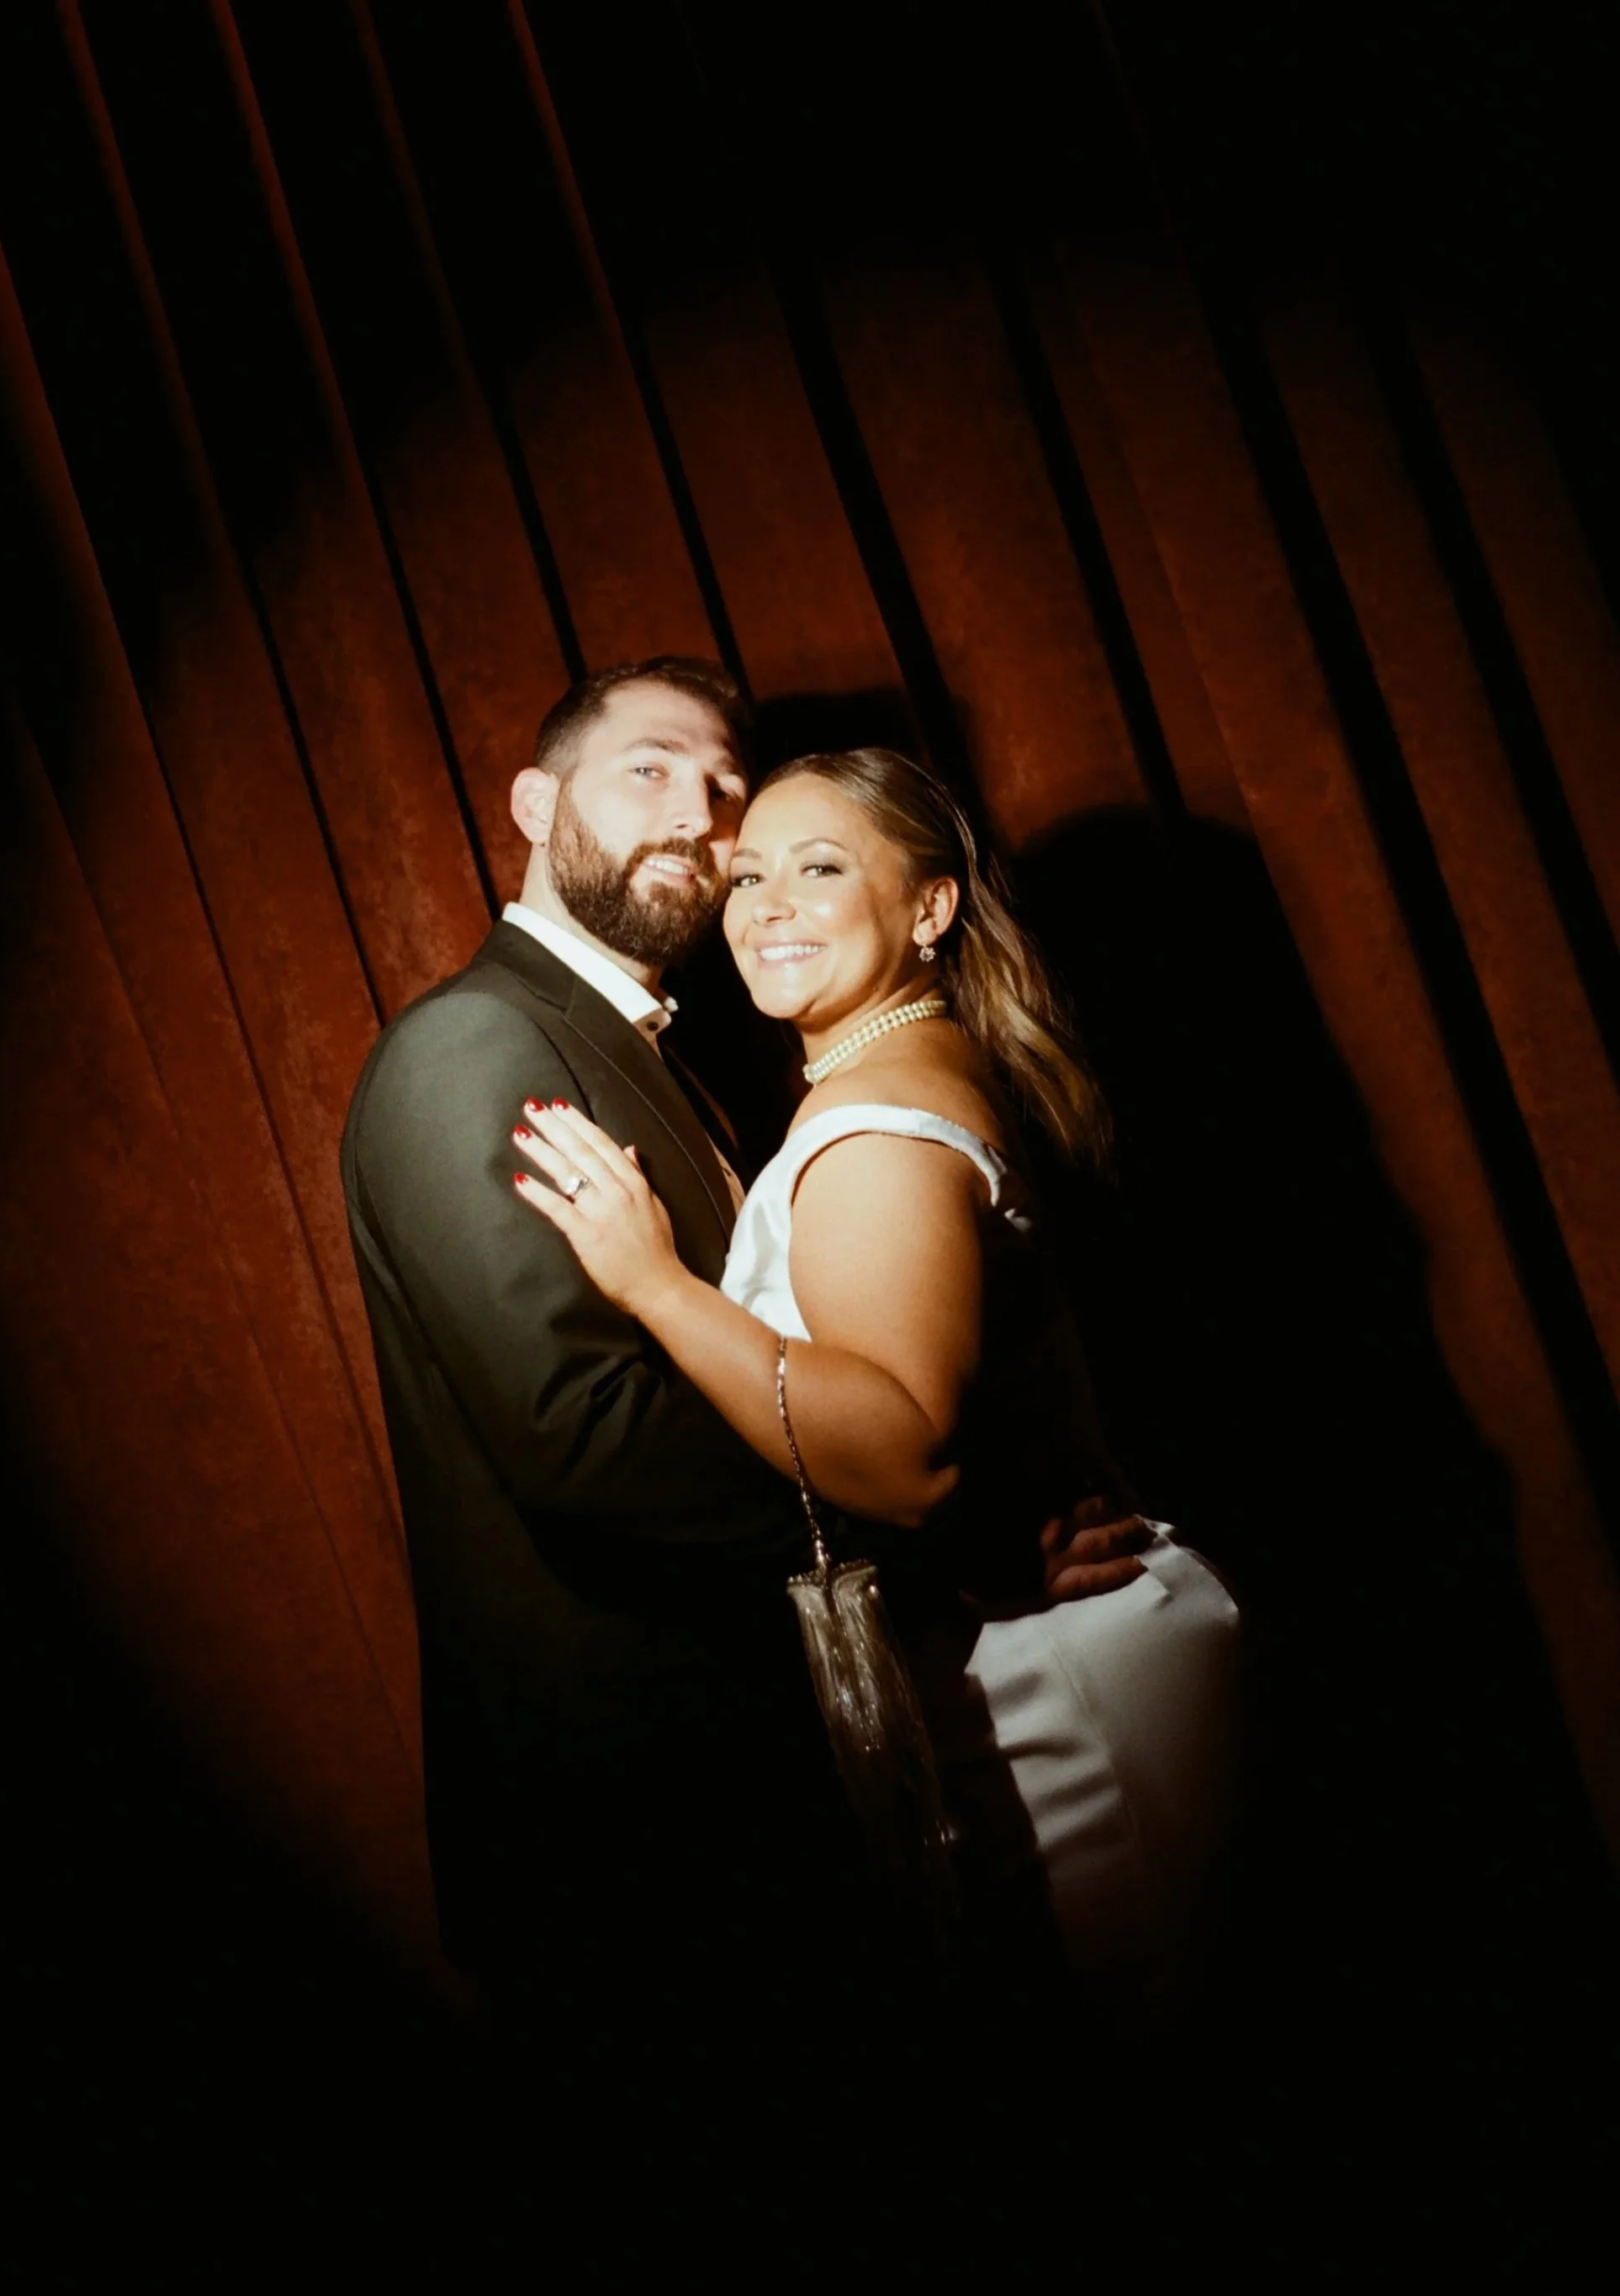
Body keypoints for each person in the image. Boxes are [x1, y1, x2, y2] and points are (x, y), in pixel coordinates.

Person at [341, 664, 1148, 2124]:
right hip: (632, 1826)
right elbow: (590, 1446)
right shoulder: (476, 1045)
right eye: (649, 769)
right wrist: (946, 1539)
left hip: (758, 1793)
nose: (698, 817)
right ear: (533, 802)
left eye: (724, 789)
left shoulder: (668, 1053)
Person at [513, 743, 1242, 2026]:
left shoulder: (871, 1129)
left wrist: (655, 1285)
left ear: (928, 906)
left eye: (818, 868)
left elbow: (906, 1454)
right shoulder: (913, 1061)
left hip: (1063, 1687)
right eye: (747, 876)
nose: (765, 908)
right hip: (1045, 1652)